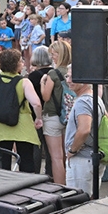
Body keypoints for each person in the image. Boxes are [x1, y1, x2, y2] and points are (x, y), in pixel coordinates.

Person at [0, 48, 43, 173]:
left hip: (0, 126)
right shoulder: (24, 82)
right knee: (26, 160)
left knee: (2, 162)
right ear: (17, 64)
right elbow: (36, 103)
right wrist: (39, 118)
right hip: (22, 125)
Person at [40, 40, 71, 186]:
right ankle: (70, 185)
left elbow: (46, 97)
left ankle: (61, 188)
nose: (52, 56)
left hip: (52, 116)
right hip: (69, 116)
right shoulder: (73, 71)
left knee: (56, 157)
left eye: (54, 54)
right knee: (66, 155)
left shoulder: (53, 73)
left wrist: (42, 83)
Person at [63, 67, 95, 193]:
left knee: (78, 201)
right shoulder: (93, 98)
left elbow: (84, 130)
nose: (68, 80)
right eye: (67, 76)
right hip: (88, 158)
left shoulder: (83, 102)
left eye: (72, 77)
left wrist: (72, 150)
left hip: (82, 159)